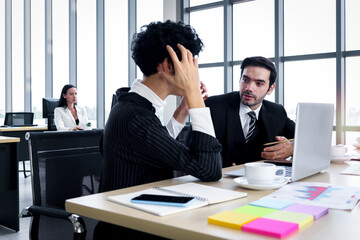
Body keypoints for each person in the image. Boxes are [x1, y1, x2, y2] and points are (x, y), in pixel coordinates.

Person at [94, 20, 222, 239]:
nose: (193, 73)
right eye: (189, 64)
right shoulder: (135, 116)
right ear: (169, 65)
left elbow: (153, 144)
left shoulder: (129, 104)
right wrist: (194, 96)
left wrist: (183, 110)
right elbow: (209, 169)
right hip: (133, 231)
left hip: (144, 217)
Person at [205, 56, 295, 167]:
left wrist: (292, 147)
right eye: (245, 80)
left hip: (262, 181)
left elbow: (307, 137)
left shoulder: (277, 112)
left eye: (259, 83)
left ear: (270, 88)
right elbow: (193, 150)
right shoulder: (213, 106)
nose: (249, 88)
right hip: (218, 180)